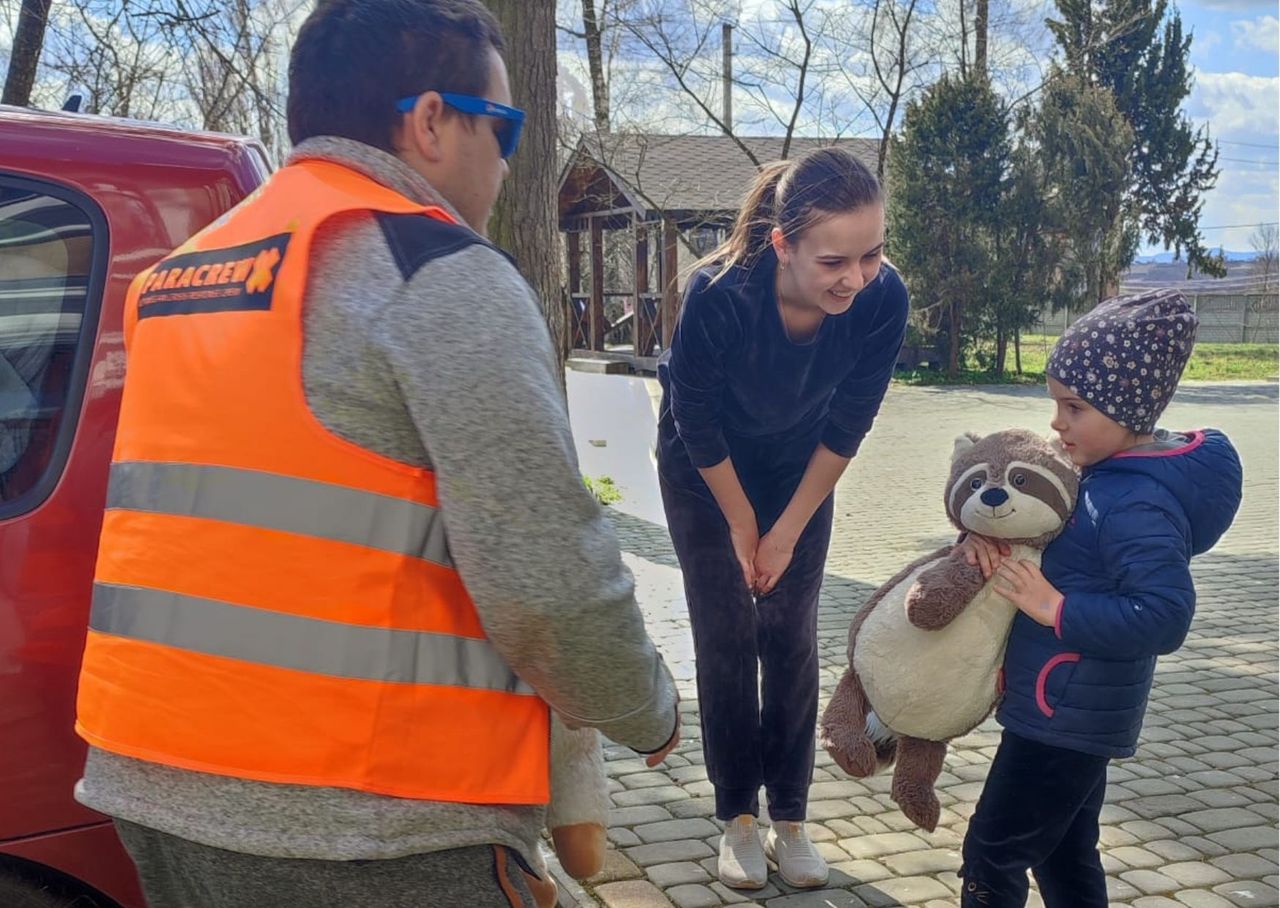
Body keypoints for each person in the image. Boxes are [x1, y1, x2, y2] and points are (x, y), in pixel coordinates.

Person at [73, 2, 679, 906]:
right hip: (371, 823)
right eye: (504, 128)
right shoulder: (436, 271)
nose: (509, 160)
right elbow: (549, 582)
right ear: (430, 120)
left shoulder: (182, 275)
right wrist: (645, 708)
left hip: (150, 785)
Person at [656, 147, 909, 890]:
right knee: (729, 632)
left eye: (872, 254)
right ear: (783, 245)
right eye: (834, 260)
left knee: (790, 635)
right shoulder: (719, 293)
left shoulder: (882, 299)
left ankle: (791, 820)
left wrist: (788, 527)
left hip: (802, 471)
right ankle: (736, 817)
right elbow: (693, 419)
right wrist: (741, 524)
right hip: (707, 472)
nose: (856, 278)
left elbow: (848, 426)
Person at [957, 289, 1243, 907]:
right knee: (1063, 853)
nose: (1058, 422)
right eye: (1057, 404)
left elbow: (1164, 615)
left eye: (1074, 407)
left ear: (1129, 410)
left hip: (1065, 715)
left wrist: (1054, 608)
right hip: (1063, 708)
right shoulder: (1102, 475)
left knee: (992, 854)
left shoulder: (1133, 500)